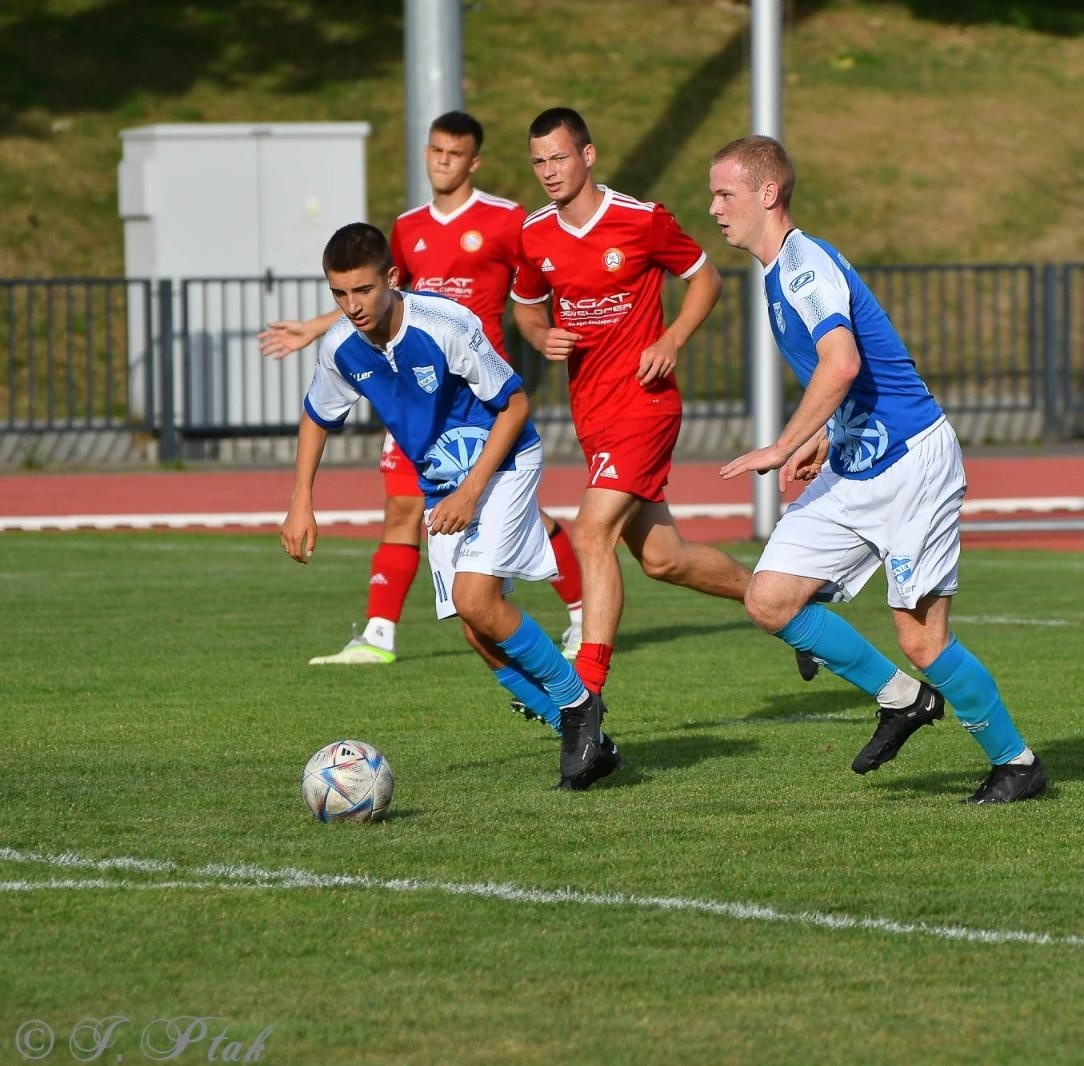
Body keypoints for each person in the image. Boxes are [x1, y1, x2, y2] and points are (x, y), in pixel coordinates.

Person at [708, 135, 1046, 804]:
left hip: (912, 466)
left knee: (922, 637)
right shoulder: (778, 273)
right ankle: (902, 700)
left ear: (767, 194)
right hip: (858, 464)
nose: (714, 208)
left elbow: (843, 364)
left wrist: (782, 444)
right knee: (770, 599)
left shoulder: (804, 267)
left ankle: (1017, 762)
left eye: (725, 194)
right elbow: (857, 378)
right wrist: (829, 440)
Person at [282, 222, 620, 791]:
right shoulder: (341, 346)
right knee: (475, 628)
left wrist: (471, 492)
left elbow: (514, 406)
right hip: (444, 484)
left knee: (474, 598)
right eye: (339, 294)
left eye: (362, 290)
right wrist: (299, 502)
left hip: (505, 463)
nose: (352, 306)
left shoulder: (445, 325)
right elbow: (318, 415)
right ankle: (586, 735)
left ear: (391, 279)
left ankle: (579, 706)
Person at [260, 111, 585, 666]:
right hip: (410, 392)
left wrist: (552, 322)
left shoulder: (507, 219)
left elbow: (540, 278)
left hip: (475, 396)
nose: (441, 162)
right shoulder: (407, 227)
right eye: (434, 151)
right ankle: (380, 634)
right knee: (403, 510)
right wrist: (315, 329)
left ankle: (581, 617)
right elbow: (373, 294)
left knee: (519, 521)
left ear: (472, 161)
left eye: (453, 154)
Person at [510, 107, 816, 695]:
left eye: (559, 157)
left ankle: (585, 695)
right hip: (592, 416)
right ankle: (792, 609)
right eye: (539, 161)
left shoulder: (640, 219)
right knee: (664, 560)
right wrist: (538, 333)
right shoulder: (534, 233)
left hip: (645, 406)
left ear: (588, 155)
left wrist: (671, 339)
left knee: (590, 531)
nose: (549, 171)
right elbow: (526, 306)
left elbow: (706, 279)